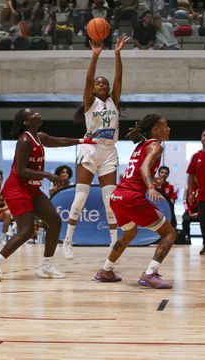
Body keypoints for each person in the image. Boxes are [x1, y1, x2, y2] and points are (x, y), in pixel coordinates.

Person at [0, 109, 96, 281]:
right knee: (26, 231)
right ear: (26, 122)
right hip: (17, 188)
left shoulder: (39, 137)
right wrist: (47, 175)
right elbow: (21, 170)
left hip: (31, 188)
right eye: (32, 113)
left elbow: (60, 141)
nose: (37, 113)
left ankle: (46, 266)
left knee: (55, 221)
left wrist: (84, 141)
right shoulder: (24, 140)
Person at [62, 36, 129, 260]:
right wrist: (95, 55)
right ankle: (68, 241)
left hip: (109, 151)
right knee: (79, 198)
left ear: (108, 88)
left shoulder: (114, 101)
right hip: (90, 150)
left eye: (104, 83)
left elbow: (120, 77)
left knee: (110, 201)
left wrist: (117, 54)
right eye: (98, 83)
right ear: (93, 88)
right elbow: (88, 77)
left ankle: (112, 243)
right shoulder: (90, 102)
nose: (101, 84)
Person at [94, 114, 176, 289]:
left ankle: (106, 271)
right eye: (165, 125)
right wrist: (151, 187)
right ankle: (150, 274)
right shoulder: (155, 145)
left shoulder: (141, 146)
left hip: (117, 197)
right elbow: (144, 167)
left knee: (129, 234)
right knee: (169, 233)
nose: (168, 128)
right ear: (155, 129)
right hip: (132, 197)